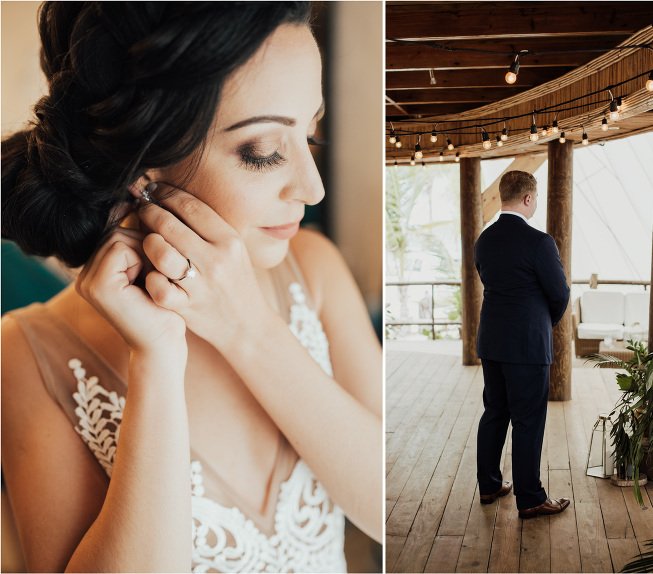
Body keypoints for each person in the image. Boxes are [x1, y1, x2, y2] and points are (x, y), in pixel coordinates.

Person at [0, 3, 382, 572]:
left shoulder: (315, 270)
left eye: (312, 136)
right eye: (265, 152)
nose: (313, 187)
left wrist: (249, 331)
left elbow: (391, 505)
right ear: (143, 167)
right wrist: (155, 360)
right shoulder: (26, 353)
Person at [473, 170, 570, 518]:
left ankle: (489, 485)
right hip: (527, 346)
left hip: (492, 342)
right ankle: (530, 498)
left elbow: (490, 282)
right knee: (528, 420)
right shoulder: (539, 242)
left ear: (503, 196)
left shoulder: (484, 240)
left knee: (495, 412)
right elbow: (560, 294)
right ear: (529, 198)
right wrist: (545, 323)